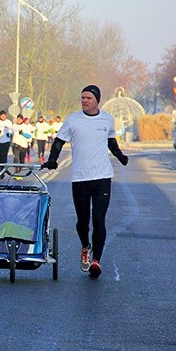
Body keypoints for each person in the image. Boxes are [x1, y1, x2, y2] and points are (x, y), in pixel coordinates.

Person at [42, 85, 129, 279]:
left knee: (99, 219)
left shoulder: (107, 119)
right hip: (80, 178)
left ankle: (96, 261)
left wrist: (120, 155)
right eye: (82, 97)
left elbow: (110, 141)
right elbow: (58, 141)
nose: (84, 100)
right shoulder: (73, 120)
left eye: (88, 98)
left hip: (102, 177)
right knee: (83, 221)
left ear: (97, 100)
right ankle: (85, 246)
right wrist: (53, 159)